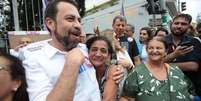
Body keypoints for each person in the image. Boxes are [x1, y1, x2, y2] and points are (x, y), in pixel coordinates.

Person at [21, 0, 101, 101]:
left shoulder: (83, 48)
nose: (78, 25)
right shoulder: (35, 59)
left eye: (79, 20)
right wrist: (71, 65)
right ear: (50, 23)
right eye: (70, 19)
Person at [120, 37, 196, 101]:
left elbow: (190, 90)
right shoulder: (137, 72)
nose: (154, 51)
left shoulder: (175, 70)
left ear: (166, 51)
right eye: (151, 48)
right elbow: (126, 98)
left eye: (158, 48)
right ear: (147, 51)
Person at [164, 13, 201, 97]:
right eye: (176, 23)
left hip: (189, 90)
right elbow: (153, 63)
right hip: (165, 89)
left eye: (183, 24)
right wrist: (174, 55)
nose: (179, 26)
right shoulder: (162, 41)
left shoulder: (194, 42)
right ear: (171, 24)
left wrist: (163, 64)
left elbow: (193, 66)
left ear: (188, 26)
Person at [86, 36, 125, 100]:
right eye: (94, 50)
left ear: (109, 55)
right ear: (88, 52)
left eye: (103, 51)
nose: (98, 54)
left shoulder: (116, 72)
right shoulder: (82, 72)